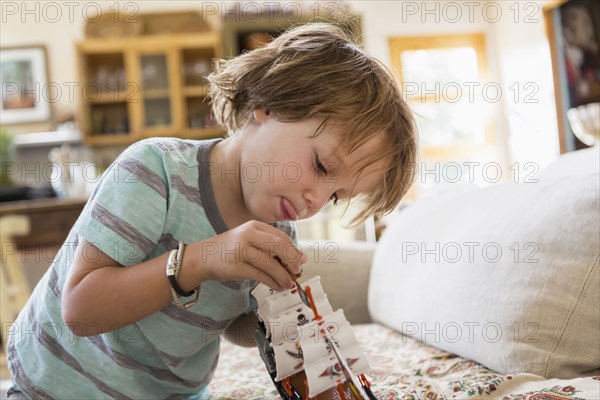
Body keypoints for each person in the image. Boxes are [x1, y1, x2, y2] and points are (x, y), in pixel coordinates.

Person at [6, 23, 417, 399]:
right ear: (268, 104)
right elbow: (81, 310)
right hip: (59, 386)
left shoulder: (278, 234)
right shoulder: (154, 171)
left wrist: (279, 326)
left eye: (334, 197)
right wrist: (205, 259)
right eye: (321, 167)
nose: (315, 200)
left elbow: (231, 321)